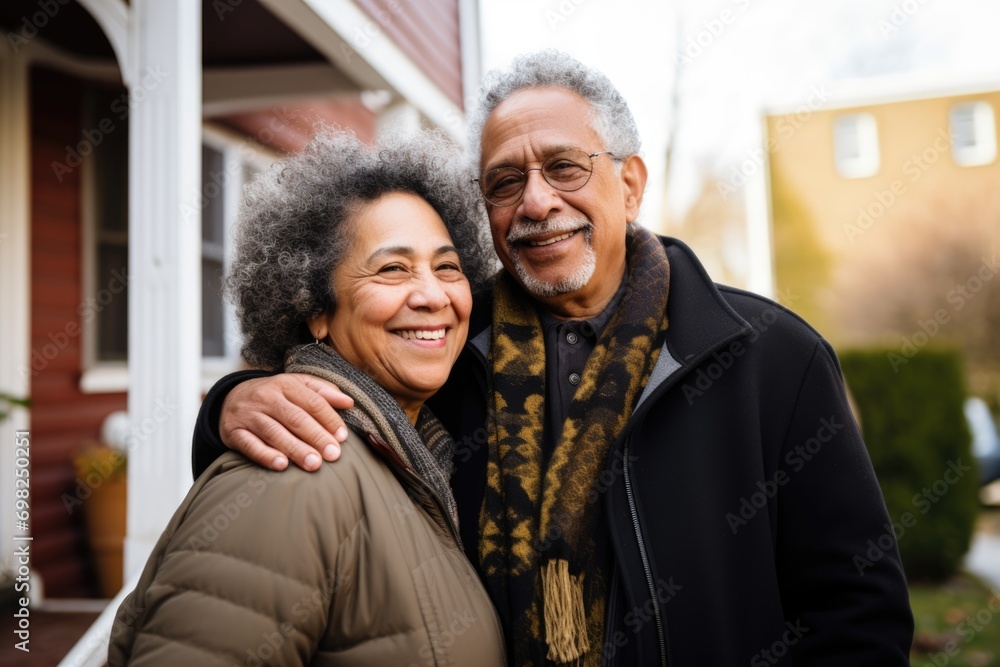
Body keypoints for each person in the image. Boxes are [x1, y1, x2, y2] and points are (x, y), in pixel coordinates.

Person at [191, 52, 914, 665]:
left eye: (564, 167)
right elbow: (337, 382)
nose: (536, 201)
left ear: (629, 185)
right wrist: (235, 398)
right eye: (505, 182)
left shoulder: (769, 358)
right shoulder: (444, 355)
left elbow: (857, 613)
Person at [108, 129, 506, 666]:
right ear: (315, 307)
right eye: (393, 268)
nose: (432, 294)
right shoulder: (294, 472)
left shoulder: (417, 457)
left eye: (447, 266)